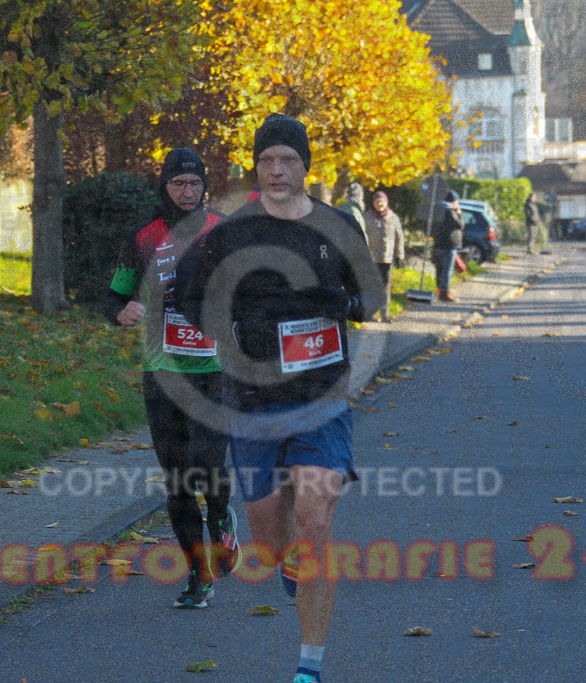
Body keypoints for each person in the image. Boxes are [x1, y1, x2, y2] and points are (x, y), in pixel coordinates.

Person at [182, 113, 384, 683]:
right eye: (267, 159)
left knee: (314, 515)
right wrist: (233, 330)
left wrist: (340, 304)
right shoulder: (229, 231)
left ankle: (309, 666)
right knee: (272, 532)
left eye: (288, 160)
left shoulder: (338, 225)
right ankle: (290, 566)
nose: (277, 169)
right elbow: (190, 295)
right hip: (251, 401)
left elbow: (370, 295)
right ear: (256, 165)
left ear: (304, 166)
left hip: (322, 399)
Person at [102, 148, 238, 609]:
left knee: (208, 465)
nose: (187, 192)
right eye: (179, 183)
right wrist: (123, 310)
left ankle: (222, 519)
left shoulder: (223, 230)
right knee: (178, 478)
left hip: (214, 371)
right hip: (161, 370)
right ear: (165, 187)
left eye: (195, 184)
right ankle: (198, 575)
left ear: (205, 188)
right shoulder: (143, 236)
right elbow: (113, 296)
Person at [363, 190, 405, 322]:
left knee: (385, 287)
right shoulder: (367, 217)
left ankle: (385, 314)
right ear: (373, 203)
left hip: (387, 258)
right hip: (371, 258)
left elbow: (399, 237)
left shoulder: (393, 218)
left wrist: (400, 256)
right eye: (377, 202)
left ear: (386, 203)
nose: (380, 205)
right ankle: (370, 313)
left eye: (382, 202)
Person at [431, 190, 464, 302]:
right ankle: (444, 294)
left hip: (438, 243)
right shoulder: (450, 211)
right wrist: (459, 213)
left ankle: (441, 291)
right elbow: (460, 225)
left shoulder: (437, 209)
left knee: (439, 269)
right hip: (449, 243)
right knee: (447, 270)